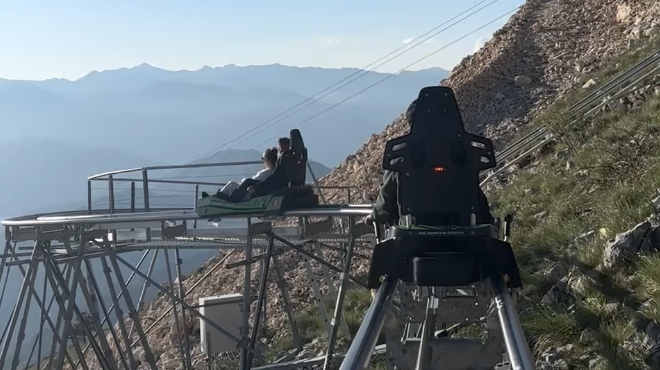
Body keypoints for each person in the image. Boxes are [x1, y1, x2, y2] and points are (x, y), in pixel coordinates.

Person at [365, 99, 494, 227]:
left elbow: (385, 205)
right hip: (466, 233)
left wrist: (373, 216)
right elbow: (474, 194)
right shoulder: (463, 151)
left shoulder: (401, 154)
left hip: (412, 236)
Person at [228, 137, 294, 202]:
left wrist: (256, 187)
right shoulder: (291, 158)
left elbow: (273, 178)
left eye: (280, 147)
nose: (279, 150)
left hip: (275, 188)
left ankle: (231, 201)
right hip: (279, 186)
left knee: (247, 181)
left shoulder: (284, 160)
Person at [201, 148, 278, 199]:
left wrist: (245, 181)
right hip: (248, 189)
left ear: (267, 160)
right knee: (231, 184)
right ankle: (215, 197)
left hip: (249, 191)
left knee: (232, 185)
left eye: (263, 159)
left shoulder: (268, 172)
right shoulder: (272, 172)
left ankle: (218, 198)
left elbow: (253, 180)